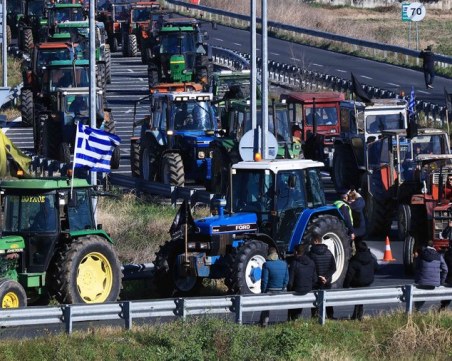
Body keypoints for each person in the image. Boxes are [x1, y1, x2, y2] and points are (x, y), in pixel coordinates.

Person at [343, 242, 379, 320]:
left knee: (358, 298)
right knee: (361, 299)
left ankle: (356, 315)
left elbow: (349, 274)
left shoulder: (354, 260)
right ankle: (359, 315)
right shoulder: (371, 258)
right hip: (368, 281)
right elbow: (377, 268)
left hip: (358, 282)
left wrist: (346, 285)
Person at [308, 233, 337, 319]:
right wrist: (326, 277)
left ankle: (315, 316)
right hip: (326, 282)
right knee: (327, 299)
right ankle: (330, 316)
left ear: (316, 241)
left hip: (316, 282)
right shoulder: (329, 252)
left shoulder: (310, 254)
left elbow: (310, 269)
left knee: (315, 300)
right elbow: (333, 268)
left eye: (312, 241)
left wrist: (318, 277)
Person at [413, 240, 448, 311]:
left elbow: (416, 267)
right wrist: (441, 282)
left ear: (425, 247)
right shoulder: (439, 256)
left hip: (422, 282)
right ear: (433, 246)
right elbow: (445, 270)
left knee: (420, 296)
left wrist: (417, 280)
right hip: (435, 284)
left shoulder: (421, 255)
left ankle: (416, 311)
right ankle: (441, 310)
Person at [260, 247, 289, 327]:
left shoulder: (266, 265)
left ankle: (264, 323)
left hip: (270, 290)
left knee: (265, 308)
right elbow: (286, 279)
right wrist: (283, 288)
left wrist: (263, 291)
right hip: (281, 290)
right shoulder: (284, 264)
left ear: (268, 254)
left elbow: (264, 280)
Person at [287, 243, 317, 320]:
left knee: (294, 309)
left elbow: (290, 281)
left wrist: (289, 290)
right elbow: (315, 279)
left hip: (297, 289)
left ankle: (294, 319)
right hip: (308, 289)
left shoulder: (294, 263)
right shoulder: (311, 262)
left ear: (296, 252)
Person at [439, 231, 452, 311]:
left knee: (446, 301)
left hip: (449, 279)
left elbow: (445, 268)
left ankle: (442, 309)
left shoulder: (447, 254)